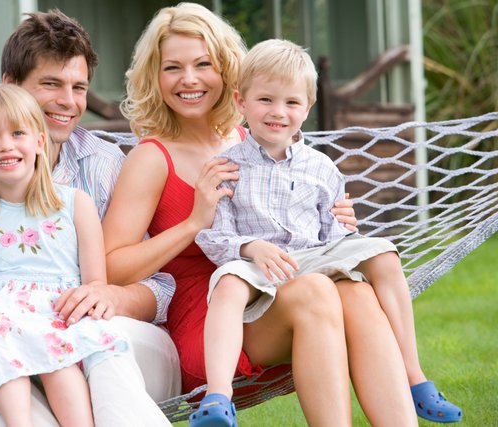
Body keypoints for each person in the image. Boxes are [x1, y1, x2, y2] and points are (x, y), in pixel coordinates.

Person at [101, 3, 379, 427]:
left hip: (273, 288)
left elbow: (298, 216)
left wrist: (334, 218)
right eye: (172, 67)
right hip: (210, 322)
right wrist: (194, 221)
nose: (189, 79)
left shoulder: (254, 137)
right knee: (317, 292)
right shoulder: (151, 157)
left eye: (203, 64)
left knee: (356, 291)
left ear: (228, 71)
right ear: (155, 78)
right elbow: (111, 267)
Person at [0, 10, 177, 427]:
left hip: (118, 348)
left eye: (79, 88)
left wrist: (113, 297)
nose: (69, 102)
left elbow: (161, 290)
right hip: (7, 355)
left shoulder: (106, 167)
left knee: (99, 349)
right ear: (9, 86)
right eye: (51, 84)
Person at [194, 39, 462, 425]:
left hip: (314, 259)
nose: (278, 113)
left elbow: (332, 236)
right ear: (241, 101)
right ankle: (218, 397)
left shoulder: (321, 168)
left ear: (307, 107)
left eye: (291, 103)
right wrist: (252, 247)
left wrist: (345, 231)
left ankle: (414, 376)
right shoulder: (225, 166)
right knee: (227, 284)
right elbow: (216, 239)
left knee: (384, 253)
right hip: (257, 270)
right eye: (265, 100)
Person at [0, 83, 134, 426]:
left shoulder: (74, 205)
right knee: (1, 337)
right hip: (3, 320)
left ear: (40, 142)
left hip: (58, 314)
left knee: (58, 359)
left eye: (17, 133)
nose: (6, 145)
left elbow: (95, 281)